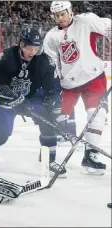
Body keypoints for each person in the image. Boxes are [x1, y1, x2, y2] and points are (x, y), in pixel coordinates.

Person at [0, 26, 67, 178]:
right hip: (6, 102)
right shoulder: (7, 57)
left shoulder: (44, 61)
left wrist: (55, 111)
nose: (32, 52)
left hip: (32, 97)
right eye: (29, 48)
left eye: (36, 48)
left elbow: (53, 88)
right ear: (21, 44)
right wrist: (15, 99)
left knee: (48, 123)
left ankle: (49, 160)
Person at [43, 1, 111, 175]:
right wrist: (52, 86)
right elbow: (51, 65)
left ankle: (91, 157)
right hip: (68, 85)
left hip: (93, 77)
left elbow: (108, 27)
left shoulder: (86, 21)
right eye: (56, 15)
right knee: (54, 120)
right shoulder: (51, 37)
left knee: (96, 114)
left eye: (63, 14)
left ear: (70, 11)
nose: (60, 18)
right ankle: (49, 160)